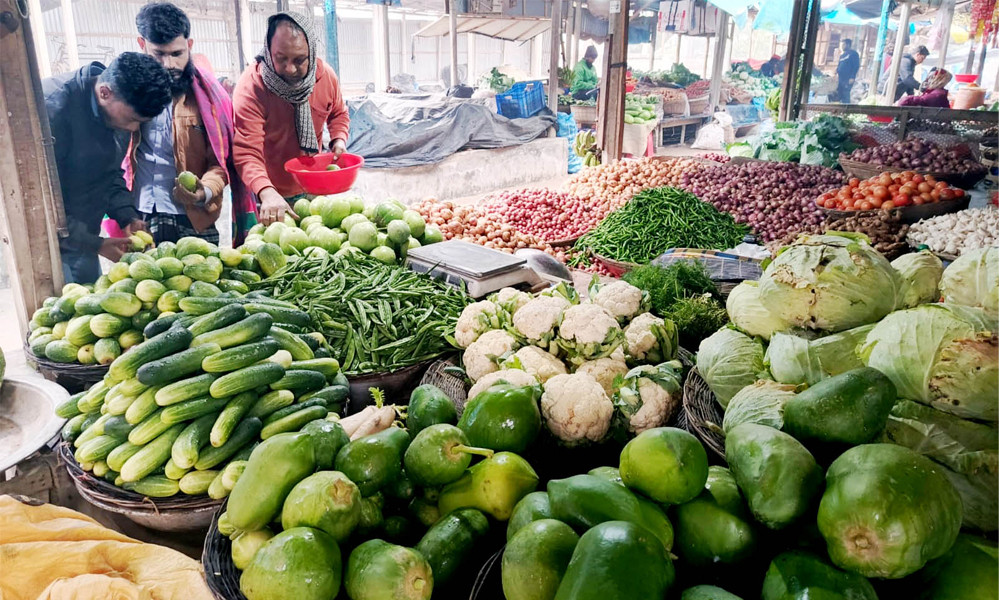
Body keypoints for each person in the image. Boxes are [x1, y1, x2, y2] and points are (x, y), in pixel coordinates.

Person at [129, 2, 256, 246]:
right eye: (159, 54)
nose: (169, 65)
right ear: (142, 45)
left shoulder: (210, 98)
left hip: (195, 217)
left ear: (189, 45)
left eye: (177, 54)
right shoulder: (128, 92)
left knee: (204, 281)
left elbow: (221, 162)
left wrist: (203, 191)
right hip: (142, 214)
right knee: (145, 282)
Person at [43, 52, 172, 283]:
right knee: (56, 312)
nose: (134, 129)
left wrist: (127, 216)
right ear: (104, 93)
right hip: (45, 247)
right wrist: (96, 244)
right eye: (133, 119)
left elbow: (109, 172)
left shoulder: (114, 110)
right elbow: (38, 202)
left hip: (83, 238)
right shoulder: (50, 112)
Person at [233, 10, 350, 225]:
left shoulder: (326, 78)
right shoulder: (252, 86)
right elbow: (247, 151)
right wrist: (266, 192)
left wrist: (339, 138)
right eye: (281, 58)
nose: (290, 68)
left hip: (314, 185)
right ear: (268, 51)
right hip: (267, 191)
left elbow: (339, 112)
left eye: (299, 60)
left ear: (312, 53)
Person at [836, 39, 860, 103]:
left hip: (848, 79)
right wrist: (836, 72)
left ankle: (846, 110)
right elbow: (839, 65)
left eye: (843, 44)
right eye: (841, 45)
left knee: (846, 94)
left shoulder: (853, 54)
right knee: (840, 94)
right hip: (840, 79)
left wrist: (852, 77)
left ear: (848, 45)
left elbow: (856, 66)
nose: (842, 46)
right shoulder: (842, 55)